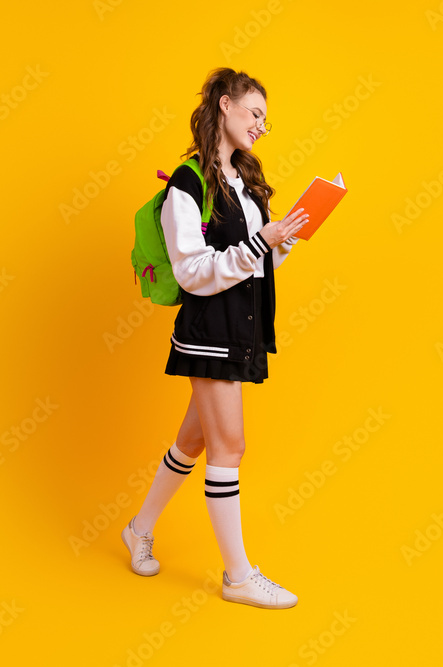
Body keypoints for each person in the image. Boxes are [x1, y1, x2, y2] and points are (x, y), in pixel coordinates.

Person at [121, 67, 309, 610]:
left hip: (243, 326)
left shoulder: (246, 179)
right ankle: (238, 576)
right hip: (210, 332)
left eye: (266, 120)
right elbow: (191, 272)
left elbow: (253, 261)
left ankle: (138, 529)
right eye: (255, 113)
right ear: (225, 105)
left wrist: (281, 241)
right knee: (231, 448)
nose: (261, 126)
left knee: (194, 442)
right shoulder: (188, 182)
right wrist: (259, 243)